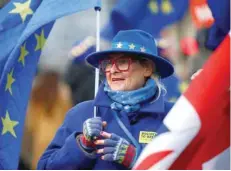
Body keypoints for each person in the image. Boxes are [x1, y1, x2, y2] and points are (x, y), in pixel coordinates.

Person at [37, 29, 175, 169]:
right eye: (108, 63)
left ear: (147, 68)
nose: (112, 70)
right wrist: (81, 145)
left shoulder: (174, 116)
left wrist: (136, 158)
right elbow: (46, 167)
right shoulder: (82, 112)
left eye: (122, 62)